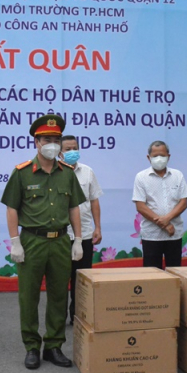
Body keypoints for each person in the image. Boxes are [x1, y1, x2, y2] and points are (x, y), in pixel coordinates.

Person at [0, 114, 85, 369]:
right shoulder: (22, 173)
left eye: (56, 140)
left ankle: (54, 346)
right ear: (36, 142)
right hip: (32, 241)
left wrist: (78, 240)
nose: (52, 145)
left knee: (59, 295)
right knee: (29, 296)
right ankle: (31, 347)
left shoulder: (67, 173)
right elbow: (12, 208)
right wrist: (15, 241)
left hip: (60, 241)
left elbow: (74, 208)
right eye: (47, 140)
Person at [59, 135, 103, 323]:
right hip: (60, 235)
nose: (72, 152)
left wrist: (97, 227)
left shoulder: (87, 172)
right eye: (67, 149)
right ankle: (58, 318)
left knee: (82, 278)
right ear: (59, 152)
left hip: (84, 233)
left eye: (74, 148)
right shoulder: (54, 171)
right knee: (60, 279)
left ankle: (78, 315)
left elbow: (94, 200)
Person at [132, 141, 187, 270]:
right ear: (148, 157)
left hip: (174, 234)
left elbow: (183, 203)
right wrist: (165, 224)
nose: (159, 159)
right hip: (151, 235)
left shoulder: (178, 175)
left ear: (168, 156)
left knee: (175, 272)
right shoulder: (141, 177)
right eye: (155, 156)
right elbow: (140, 206)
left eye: (162, 155)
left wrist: (167, 219)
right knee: (152, 274)